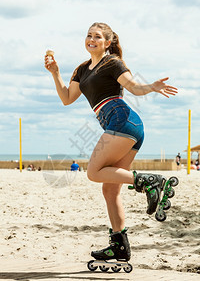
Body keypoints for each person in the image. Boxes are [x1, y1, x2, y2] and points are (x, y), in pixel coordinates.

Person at [45, 22, 178, 264]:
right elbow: (67, 98)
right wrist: (55, 73)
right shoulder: (81, 70)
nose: (91, 39)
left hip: (121, 120)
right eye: (88, 35)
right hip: (126, 126)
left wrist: (152, 87)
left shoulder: (112, 63)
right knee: (109, 189)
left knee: (93, 172)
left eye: (97, 36)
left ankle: (150, 181)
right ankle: (120, 246)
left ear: (107, 42)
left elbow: (133, 87)